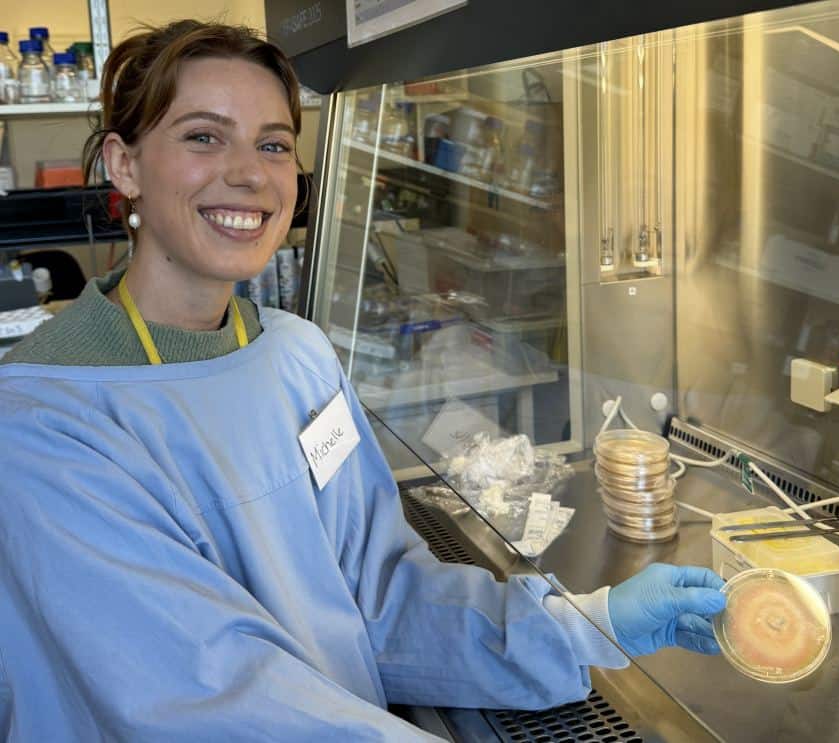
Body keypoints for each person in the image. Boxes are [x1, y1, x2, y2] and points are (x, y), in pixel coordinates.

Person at [0, 20, 726, 742]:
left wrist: (583, 625)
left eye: (274, 144)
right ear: (125, 166)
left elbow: (383, 596)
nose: (250, 173)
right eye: (203, 136)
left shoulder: (297, 357)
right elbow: (214, 700)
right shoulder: (43, 424)